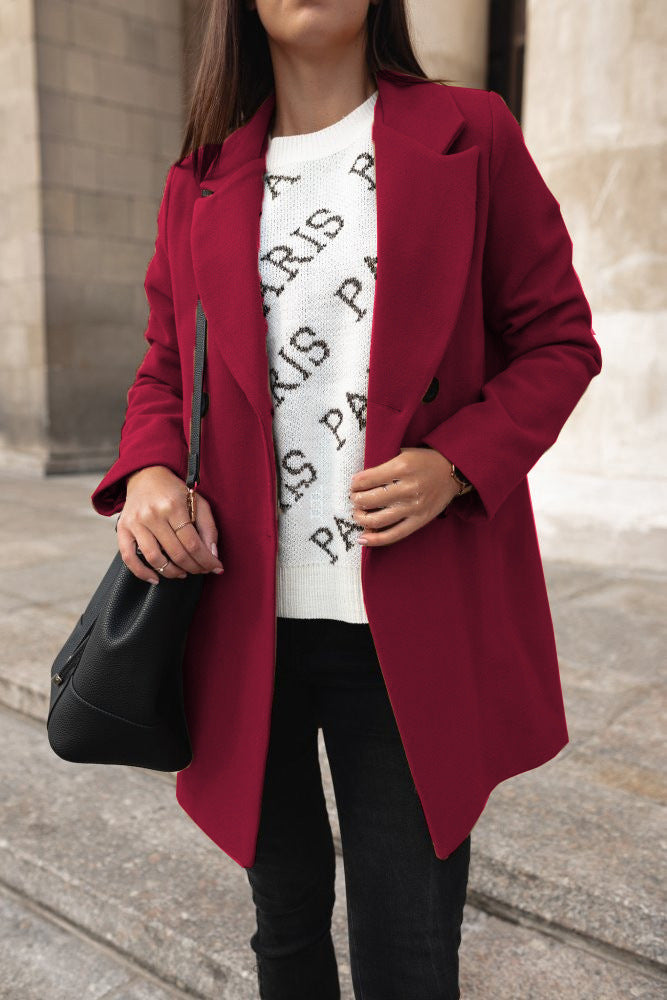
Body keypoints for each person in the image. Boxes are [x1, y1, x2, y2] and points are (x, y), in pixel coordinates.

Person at [90, 2, 603, 998]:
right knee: (283, 930)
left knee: (408, 950)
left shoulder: (471, 134)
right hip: (242, 625)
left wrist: (456, 460)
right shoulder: (198, 175)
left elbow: (559, 339)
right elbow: (164, 365)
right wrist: (149, 471)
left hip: (404, 626)